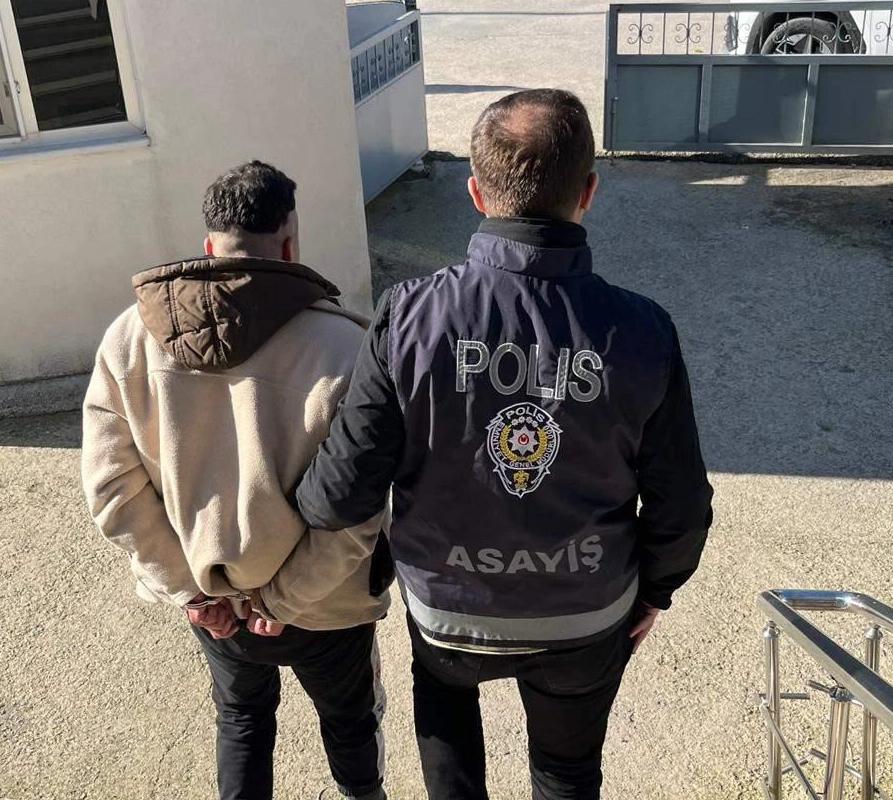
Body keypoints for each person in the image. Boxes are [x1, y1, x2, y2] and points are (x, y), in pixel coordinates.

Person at [295, 90, 714, 800]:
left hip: (448, 615)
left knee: (449, 738)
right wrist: (655, 591)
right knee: (566, 774)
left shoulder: (409, 316)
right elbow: (682, 505)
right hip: (587, 614)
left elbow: (340, 494)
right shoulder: (644, 331)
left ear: (475, 193)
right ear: (588, 193)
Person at [81, 161, 390, 800]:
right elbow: (358, 508)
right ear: (290, 244)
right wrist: (283, 599)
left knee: (242, 719)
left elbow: (111, 490)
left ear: (209, 246)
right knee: (351, 723)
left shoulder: (129, 339)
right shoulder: (347, 347)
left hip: (213, 600)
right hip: (326, 605)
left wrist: (191, 591)